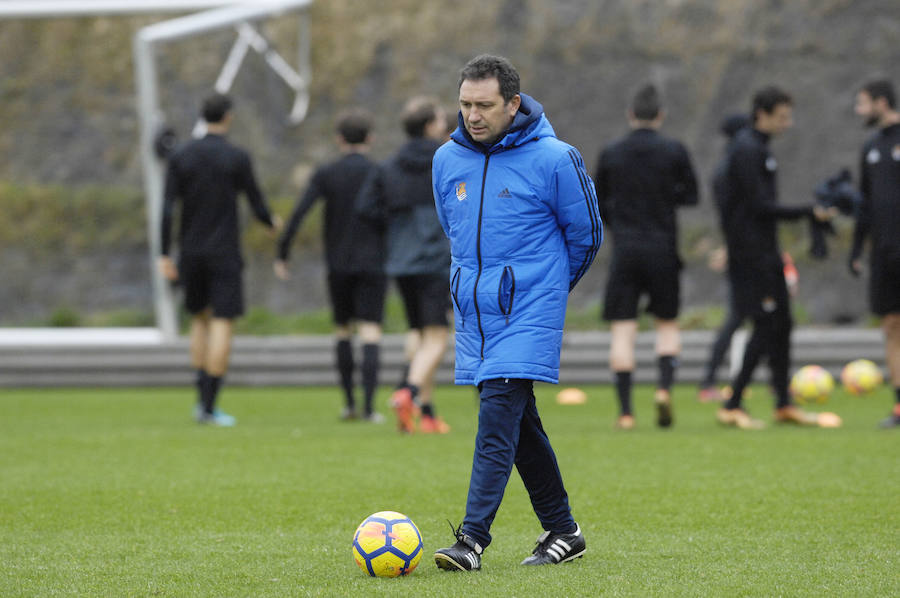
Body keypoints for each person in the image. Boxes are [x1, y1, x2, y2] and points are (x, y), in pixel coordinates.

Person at [431, 54, 602, 571]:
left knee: (495, 422)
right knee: (519, 426)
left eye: (484, 105)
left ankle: (472, 540)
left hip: (529, 312)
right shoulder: (445, 160)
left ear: (514, 104)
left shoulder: (556, 158)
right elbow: (454, 233)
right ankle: (564, 531)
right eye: (464, 105)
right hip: (477, 316)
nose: (473, 116)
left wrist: (543, 290)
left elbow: (587, 236)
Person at [716, 86, 835, 429]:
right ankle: (733, 403)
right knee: (766, 324)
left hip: (765, 252)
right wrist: (809, 211)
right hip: (751, 256)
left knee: (782, 323)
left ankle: (783, 403)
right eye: (783, 116)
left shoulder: (760, 149)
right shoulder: (747, 150)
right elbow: (758, 207)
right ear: (762, 114)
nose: (788, 123)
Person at [159, 92, 280, 426]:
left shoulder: (181, 156)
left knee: (199, 320)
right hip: (224, 252)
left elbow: (168, 208)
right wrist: (271, 223)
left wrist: (163, 252)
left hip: (191, 252)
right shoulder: (236, 157)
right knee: (222, 322)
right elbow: (256, 201)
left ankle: (201, 401)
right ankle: (211, 405)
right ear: (228, 117)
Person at [594, 83, 699, 429]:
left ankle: (625, 413)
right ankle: (664, 390)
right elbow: (691, 195)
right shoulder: (674, 150)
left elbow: (598, 202)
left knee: (623, 330)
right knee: (666, 324)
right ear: (661, 115)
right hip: (662, 247)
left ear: (630, 115)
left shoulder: (611, 152)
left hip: (625, 248)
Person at [274, 109, 386, 423]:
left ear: (338, 140)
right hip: (374, 262)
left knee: (342, 330)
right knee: (371, 331)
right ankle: (370, 407)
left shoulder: (327, 173)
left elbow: (299, 212)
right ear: (370, 138)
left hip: (338, 263)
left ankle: (349, 403)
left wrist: (283, 251)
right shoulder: (379, 172)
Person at [356, 96, 452, 434]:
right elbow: (464, 200)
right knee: (439, 338)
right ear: (429, 127)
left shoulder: (388, 166)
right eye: (441, 121)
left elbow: (366, 208)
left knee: (421, 334)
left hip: (401, 261)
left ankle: (426, 412)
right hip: (437, 260)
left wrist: (396, 228)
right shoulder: (447, 161)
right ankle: (408, 392)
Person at [849, 78, 900, 429]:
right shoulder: (870, 146)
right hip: (883, 253)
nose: (858, 110)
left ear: (881, 102)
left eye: (863, 103)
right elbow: (864, 205)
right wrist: (856, 248)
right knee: (891, 325)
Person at [698, 114, 752, 402]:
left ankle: (714, 380)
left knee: (748, 317)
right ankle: (709, 381)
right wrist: (733, 247)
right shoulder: (736, 168)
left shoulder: (726, 167)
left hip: (741, 248)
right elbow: (739, 216)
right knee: (740, 316)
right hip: (745, 251)